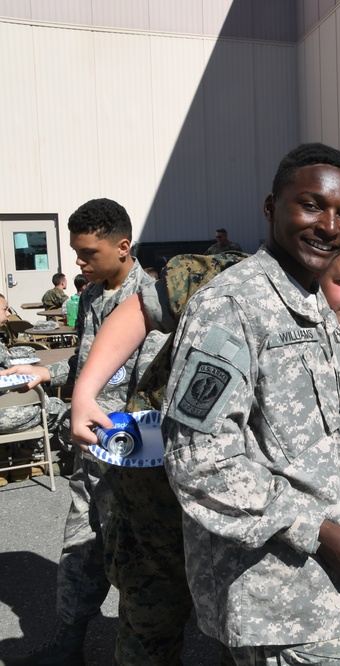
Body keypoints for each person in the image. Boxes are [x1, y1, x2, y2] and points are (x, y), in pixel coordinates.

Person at [164, 143, 340, 664]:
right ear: (271, 208)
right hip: (282, 603)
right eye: (311, 205)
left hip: (328, 594)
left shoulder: (312, 297)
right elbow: (199, 460)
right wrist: (316, 530)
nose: (330, 225)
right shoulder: (231, 307)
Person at [1, 198, 164, 666]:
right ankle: (69, 645)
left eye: (88, 253)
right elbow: (87, 365)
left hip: (131, 459)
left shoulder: (149, 302)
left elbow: (146, 384)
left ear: (123, 247)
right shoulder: (92, 296)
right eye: (76, 253)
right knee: (78, 549)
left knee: (135, 565)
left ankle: (140, 653)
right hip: (90, 455)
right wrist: (46, 373)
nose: (78, 262)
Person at [0, 293, 68, 486]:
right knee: (53, 405)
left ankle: (3, 463)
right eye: (5, 309)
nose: (8, 314)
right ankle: (29, 460)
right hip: (13, 414)